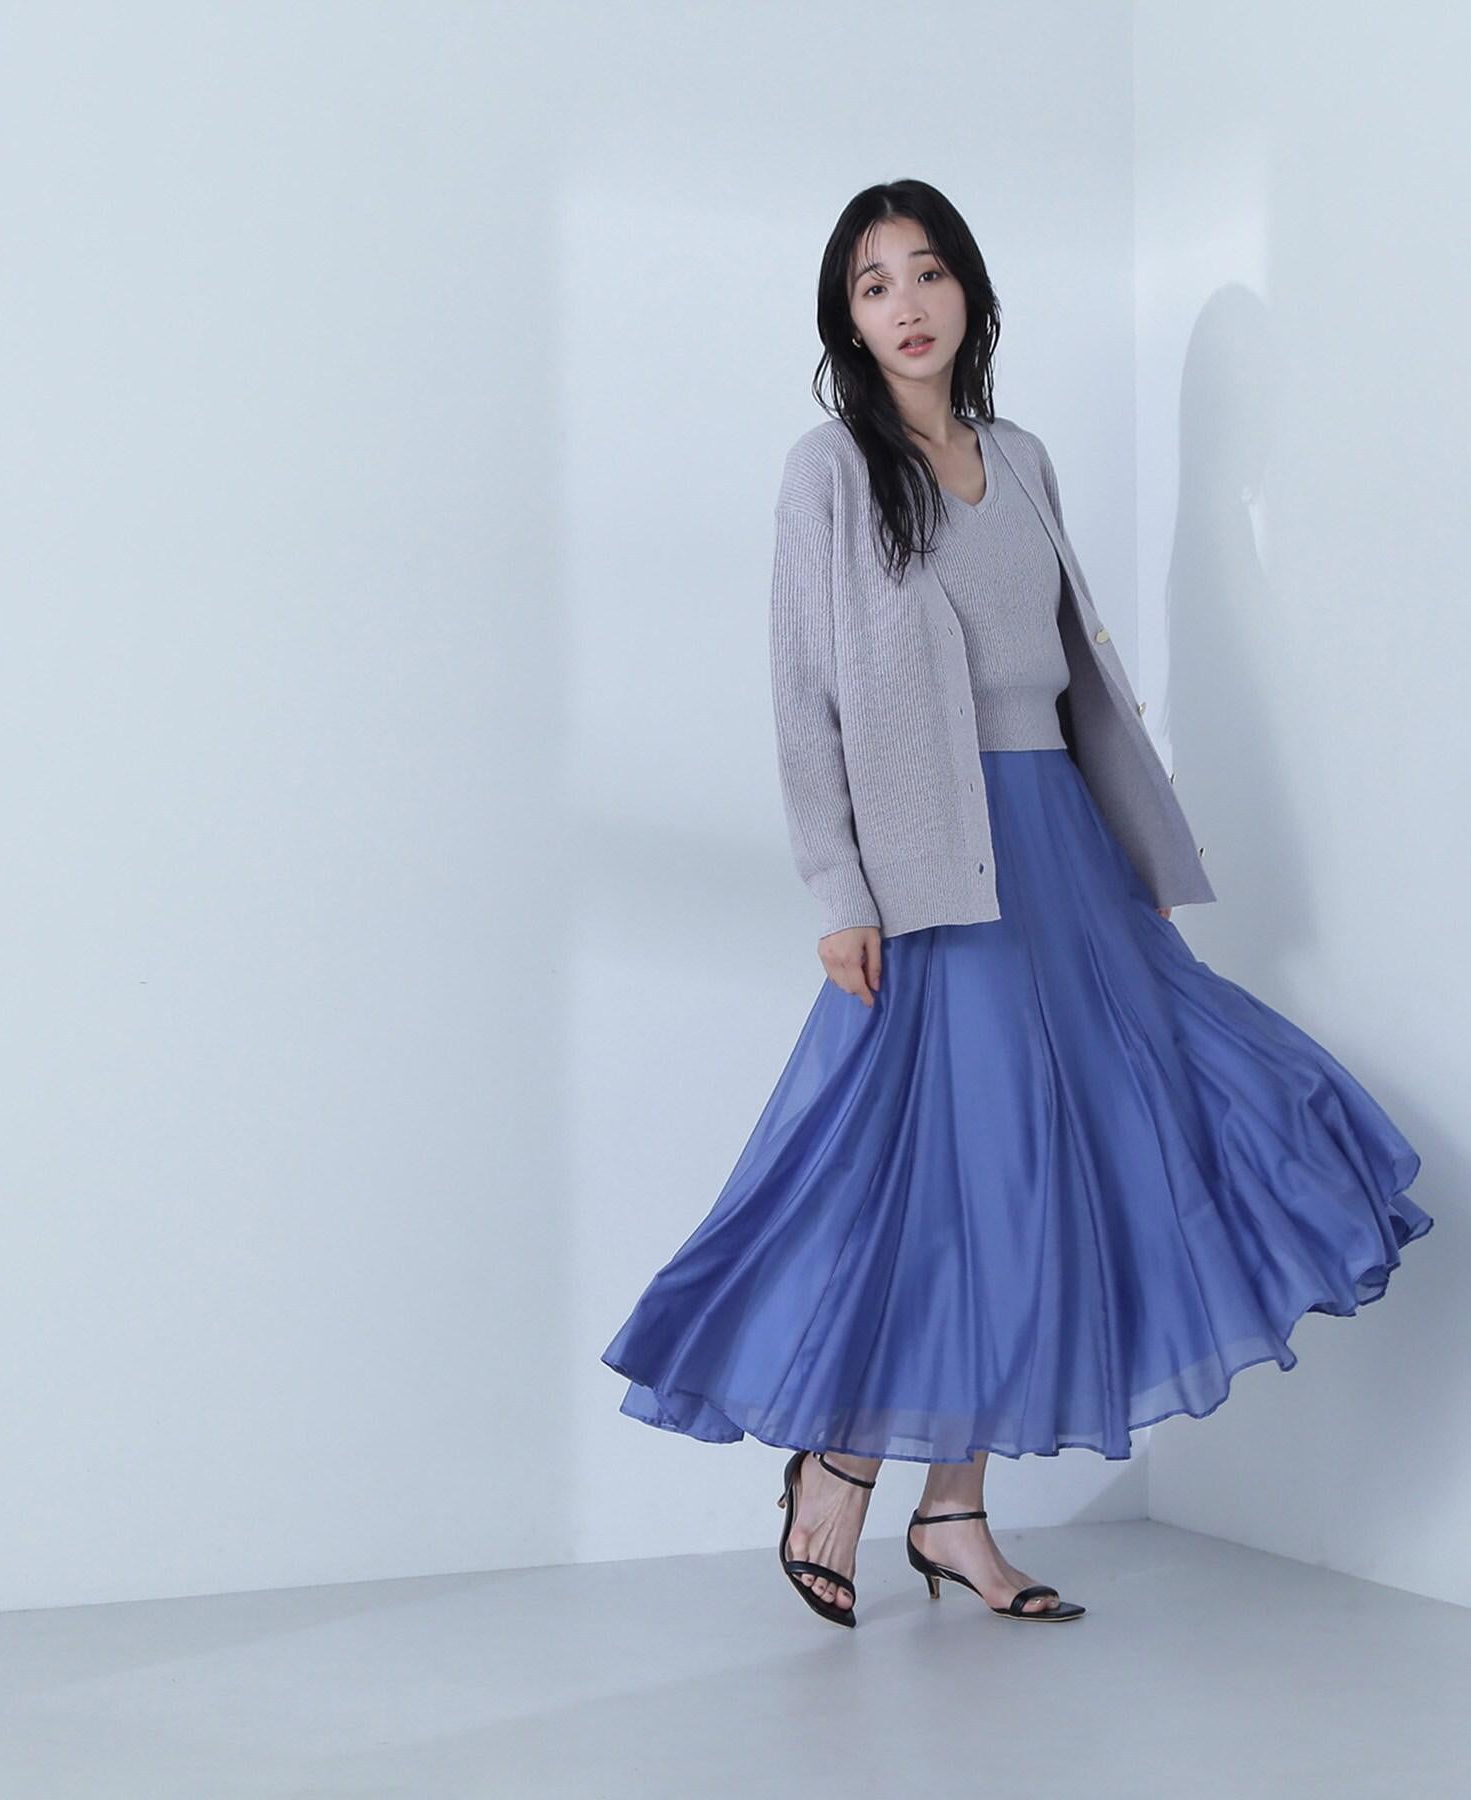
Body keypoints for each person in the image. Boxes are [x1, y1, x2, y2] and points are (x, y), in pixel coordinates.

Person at [600, 179, 1432, 1630]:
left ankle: (951, 1512)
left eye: (928, 272)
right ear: (847, 320)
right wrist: (838, 890)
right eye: (874, 285)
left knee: (1067, 1163)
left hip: (1062, 852)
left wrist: (1128, 859)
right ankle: (841, 1466)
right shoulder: (830, 470)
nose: (907, 304)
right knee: (960, 1176)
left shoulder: (1023, 456)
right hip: (935, 871)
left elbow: (1069, 674)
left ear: (970, 292)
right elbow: (803, 699)